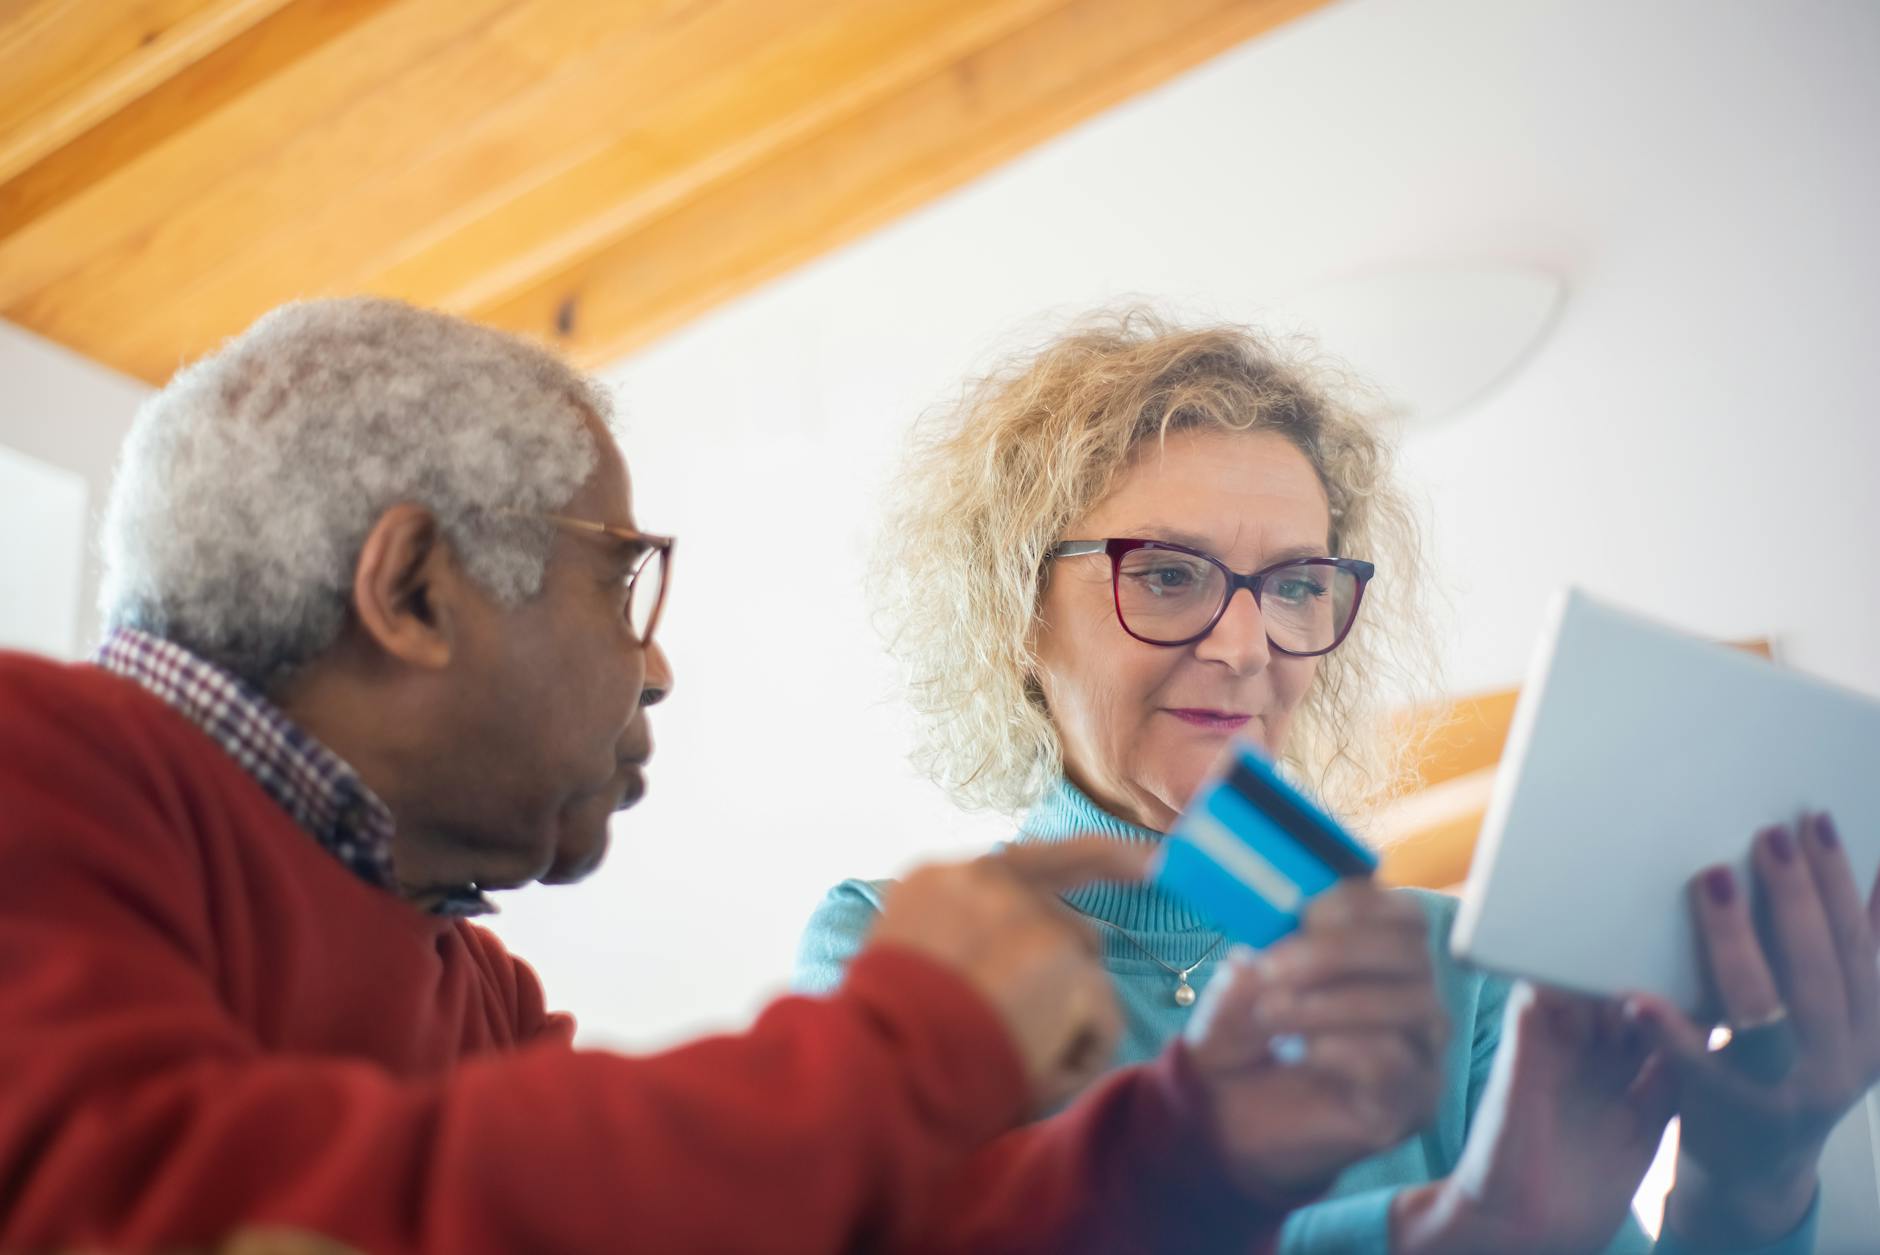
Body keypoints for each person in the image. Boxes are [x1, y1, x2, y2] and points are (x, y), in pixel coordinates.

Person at [0, 297, 1449, 1253]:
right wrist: (903, 1046)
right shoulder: (35, 758)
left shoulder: (465, 985)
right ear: (414, 590)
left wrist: (1187, 1141)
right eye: (619, 579)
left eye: (1295, 587)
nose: (655, 667)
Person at [798, 310, 1879, 1253]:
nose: (1244, 645)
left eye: (1295, 585)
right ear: (1018, 617)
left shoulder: (1462, 973)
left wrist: (1745, 1192)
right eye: (1167, 575)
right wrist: (1442, 1231)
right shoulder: (897, 951)